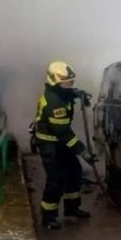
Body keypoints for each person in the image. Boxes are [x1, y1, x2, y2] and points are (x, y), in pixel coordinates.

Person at [33, 61, 96, 230]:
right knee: (56, 180)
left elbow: (68, 93)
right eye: (67, 83)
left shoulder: (60, 93)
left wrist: (79, 93)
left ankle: (71, 208)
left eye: (72, 82)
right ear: (54, 81)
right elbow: (64, 133)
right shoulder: (53, 102)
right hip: (49, 144)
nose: (70, 86)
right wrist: (83, 152)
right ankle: (48, 216)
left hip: (61, 142)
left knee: (74, 172)